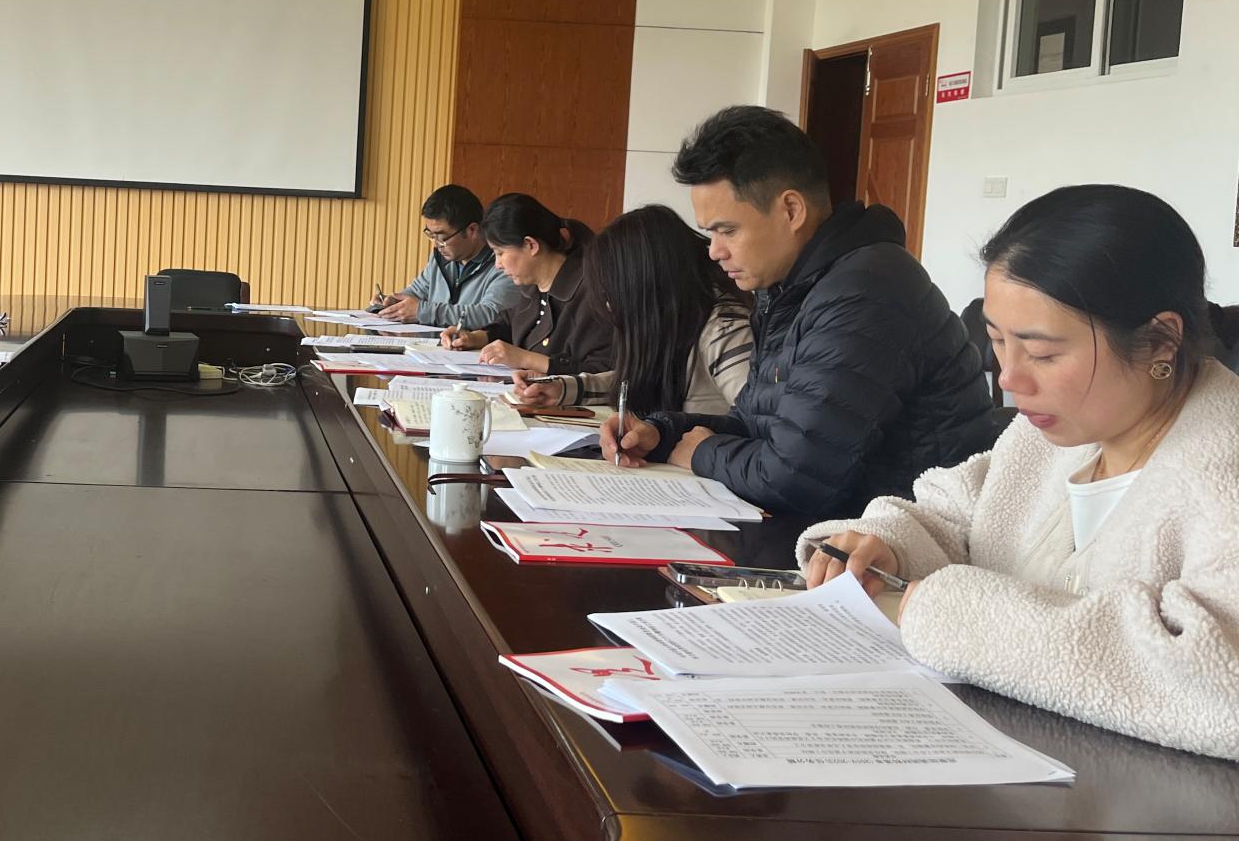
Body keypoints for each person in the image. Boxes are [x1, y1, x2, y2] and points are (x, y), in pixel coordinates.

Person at [797, 185, 1239, 761]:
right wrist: (889, 544)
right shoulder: (1050, 434)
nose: (1009, 378)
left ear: (1161, 340)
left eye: (1044, 353)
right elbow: (958, 514)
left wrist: (947, 614)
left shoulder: (1222, 468)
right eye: (997, 342)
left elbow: (1217, 681)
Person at [602, 106, 997, 521]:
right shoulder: (793, 288)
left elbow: (795, 481)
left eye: (727, 230)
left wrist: (703, 451)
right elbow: (756, 425)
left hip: (902, 537)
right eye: (710, 234)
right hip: (846, 526)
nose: (715, 251)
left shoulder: (865, 291)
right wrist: (661, 433)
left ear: (791, 210)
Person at [509, 204, 753, 415]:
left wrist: (679, 438)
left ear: (646, 283)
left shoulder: (724, 332)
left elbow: (760, 431)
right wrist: (563, 388)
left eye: (614, 292)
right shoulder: (672, 321)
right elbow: (639, 382)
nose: (609, 305)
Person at [438, 192, 610, 376]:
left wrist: (525, 359)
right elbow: (513, 323)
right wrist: (475, 337)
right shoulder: (533, 285)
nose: (497, 264)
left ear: (530, 245)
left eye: (500, 253)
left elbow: (602, 372)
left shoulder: (592, 293)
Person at [367, 184, 520, 328]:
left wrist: (424, 312)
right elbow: (418, 291)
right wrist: (393, 303)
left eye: (442, 237)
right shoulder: (441, 257)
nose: (436, 245)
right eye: (431, 235)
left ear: (472, 230)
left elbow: (492, 315)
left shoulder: (504, 263)